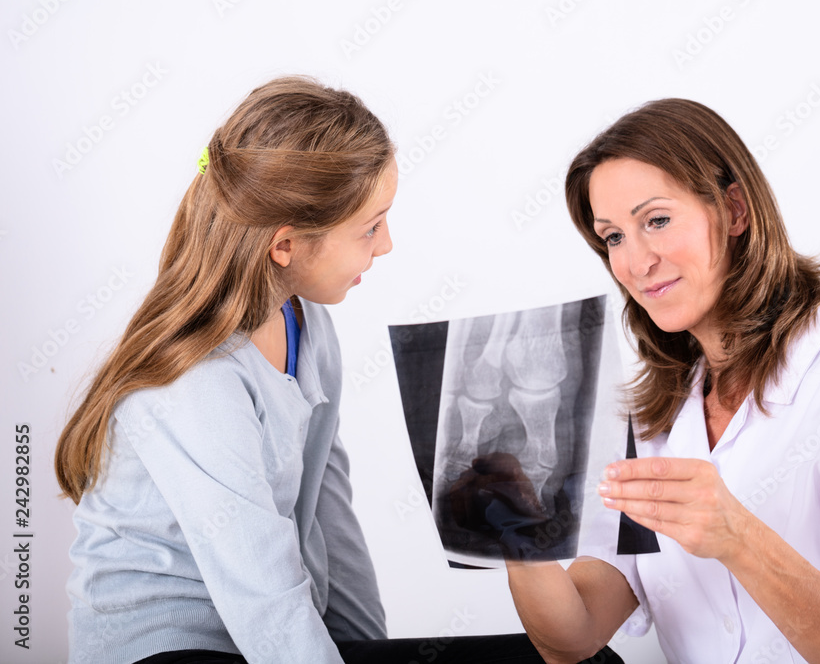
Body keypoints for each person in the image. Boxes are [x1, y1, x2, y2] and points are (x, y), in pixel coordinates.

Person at [57, 76, 622, 664]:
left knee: (589, 663)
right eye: (370, 227)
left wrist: (365, 652)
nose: (387, 246)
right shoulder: (196, 383)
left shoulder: (305, 323)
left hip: (271, 638)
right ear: (286, 246)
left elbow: (328, 508)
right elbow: (263, 594)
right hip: (173, 653)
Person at [504, 99, 820, 663]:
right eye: (613, 237)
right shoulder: (650, 417)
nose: (636, 261)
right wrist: (513, 533)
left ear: (734, 211)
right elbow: (573, 638)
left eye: (656, 220)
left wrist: (739, 539)